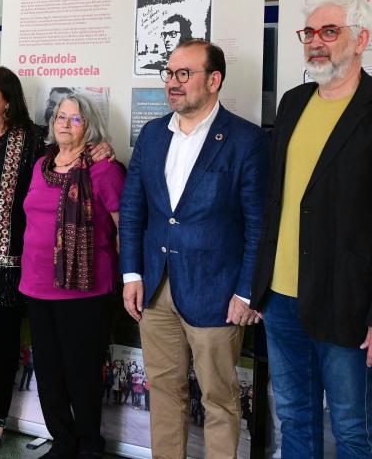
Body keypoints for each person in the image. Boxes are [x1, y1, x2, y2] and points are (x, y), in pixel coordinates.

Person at [250, 0, 372, 458]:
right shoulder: (293, 103)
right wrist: (260, 286)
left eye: (330, 31)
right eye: (309, 32)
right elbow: (277, 202)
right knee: (294, 416)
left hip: (347, 304)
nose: (316, 42)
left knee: (351, 427)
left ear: (361, 38)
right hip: (282, 301)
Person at [0, 66, 114, 452]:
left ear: (7, 100)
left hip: (11, 263)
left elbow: (72, 154)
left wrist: (101, 148)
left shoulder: (33, 141)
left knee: (4, 339)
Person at [120, 38, 268, 458]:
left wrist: (246, 291)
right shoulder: (152, 134)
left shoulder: (246, 141)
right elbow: (133, 209)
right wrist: (132, 274)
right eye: (169, 73)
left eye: (184, 73)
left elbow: (259, 225)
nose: (173, 83)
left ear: (214, 79)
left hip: (217, 293)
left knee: (219, 401)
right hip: (155, 288)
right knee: (164, 392)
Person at [19, 93, 125, 458]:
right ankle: (62, 441)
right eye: (60, 117)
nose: (65, 123)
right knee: (48, 372)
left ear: (89, 126)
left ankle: (90, 445)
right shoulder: (40, 165)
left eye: (75, 119)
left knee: (82, 371)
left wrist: (129, 276)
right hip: (36, 285)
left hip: (85, 289)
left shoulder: (103, 168)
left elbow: (121, 224)